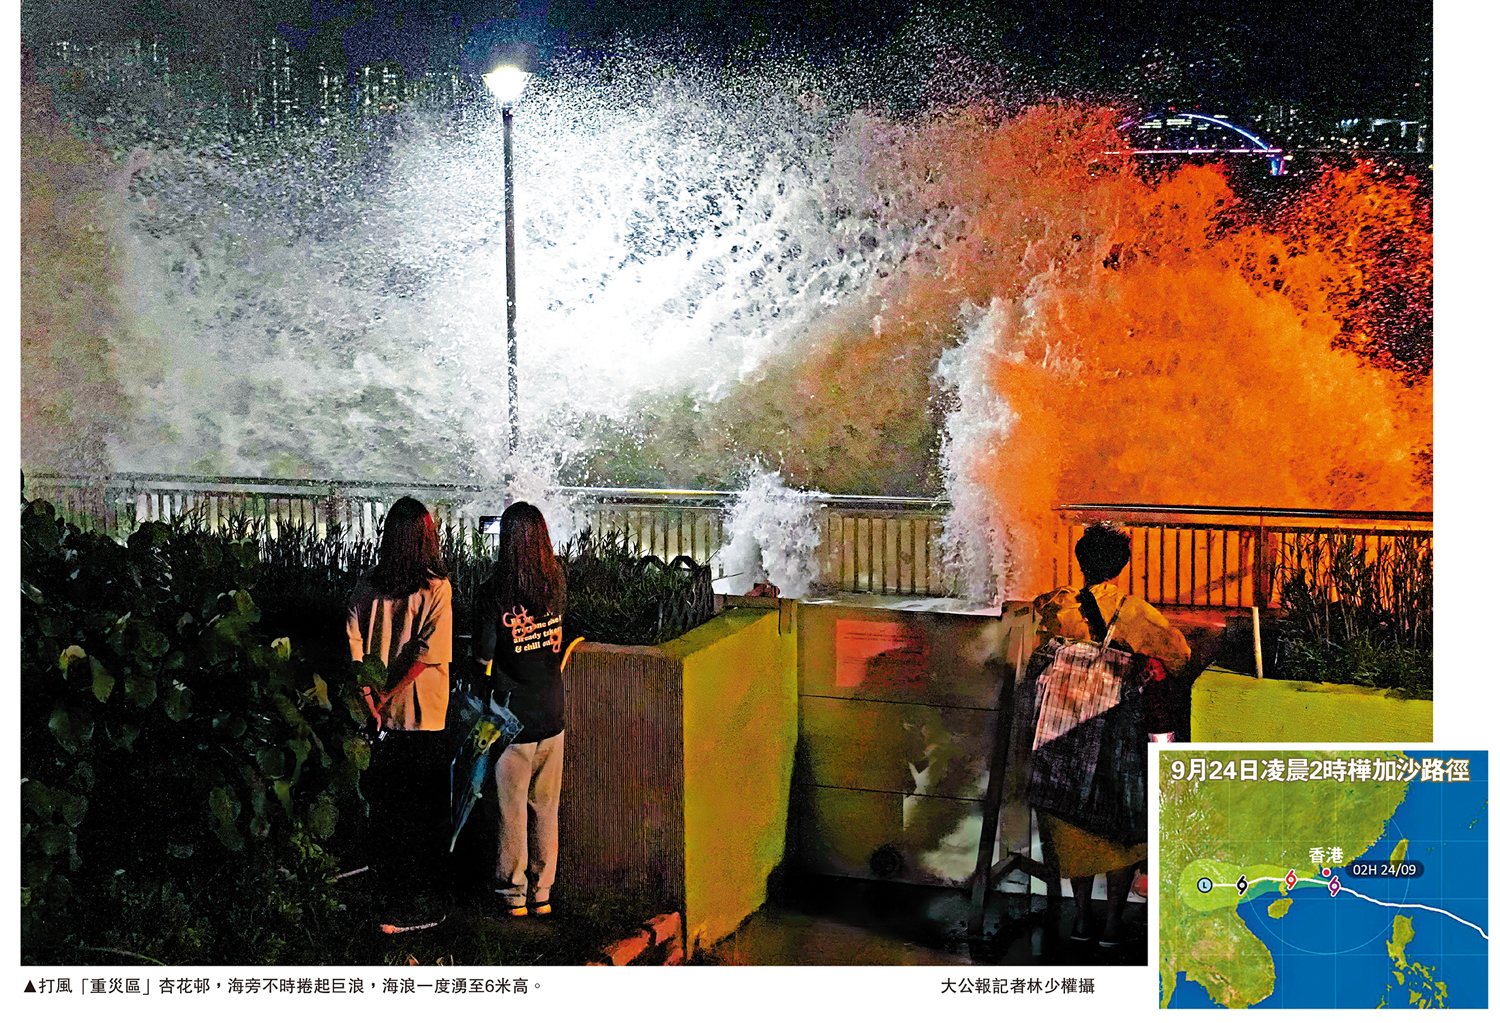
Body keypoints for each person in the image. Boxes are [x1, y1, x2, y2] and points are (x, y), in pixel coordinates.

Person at [1029, 522, 1190, 948]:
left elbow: (1033, 650)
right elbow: (1179, 655)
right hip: (1115, 733)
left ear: (1081, 562)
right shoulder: (1135, 611)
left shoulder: (1055, 605)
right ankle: (1113, 925)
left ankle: (1081, 920)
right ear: (1122, 565)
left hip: (1061, 737)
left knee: (1072, 823)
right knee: (1120, 825)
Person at [346, 496, 454, 925]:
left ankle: (383, 894)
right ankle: (413, 905)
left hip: (377, 720)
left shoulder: (366, 585)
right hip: (422, 716)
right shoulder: (435, 589)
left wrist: (372, 699)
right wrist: (391, 694)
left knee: (387, 808)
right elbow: (428, 655)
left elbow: (354, 648)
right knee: (423, 813)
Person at [472, 502, 568, 918]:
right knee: (545, 807)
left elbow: (482, 654)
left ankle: (514, 896)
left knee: (510, 811)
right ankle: (542, 894)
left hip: (512, 720)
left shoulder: (495, 591)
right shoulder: (556, 580)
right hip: (552, 711)